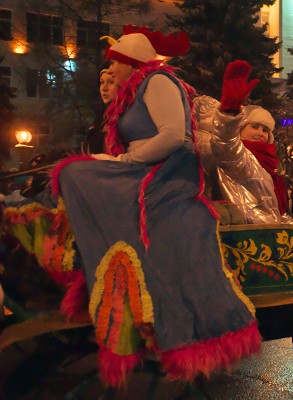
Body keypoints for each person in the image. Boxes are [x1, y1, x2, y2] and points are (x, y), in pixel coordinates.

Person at [46, 27, 260, 387]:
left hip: (165, 176)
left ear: (131, 63)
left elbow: (174, 136)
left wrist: (123, 162)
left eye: (114, 63)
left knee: (75, 173)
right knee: (74, 173)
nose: (109, 70)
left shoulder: (158, 81)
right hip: (144, 168)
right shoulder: (130, 94)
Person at [210, 60, 293, 292]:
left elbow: (279, 211)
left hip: (272, 232)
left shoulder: (269, 169)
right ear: (241, 128)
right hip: (254, 236)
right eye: (254, 126)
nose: (261, 133)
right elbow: (224, 142)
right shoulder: (240, 157)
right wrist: (229, 112)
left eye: (266, 130)